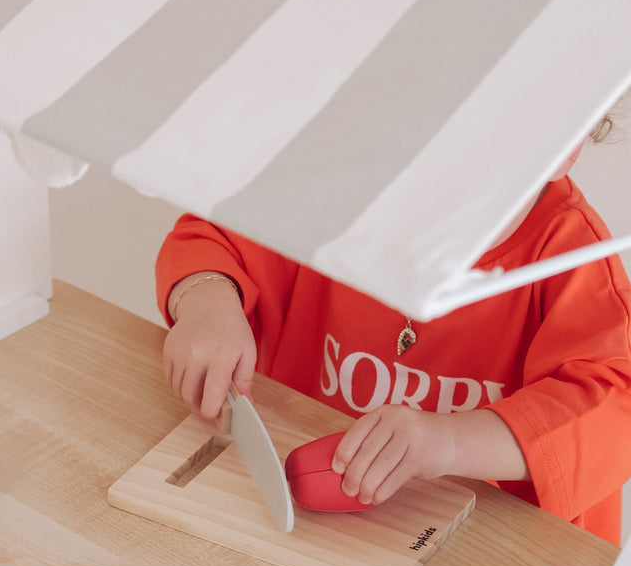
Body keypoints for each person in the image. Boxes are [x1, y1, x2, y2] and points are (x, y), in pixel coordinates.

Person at [157, 118, 631, 544]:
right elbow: (214, 237)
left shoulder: (578, 267)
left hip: (486, 565)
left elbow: (614, 409)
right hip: (308, 529)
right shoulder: (334, 193)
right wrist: (207, 301)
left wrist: (445, 443)